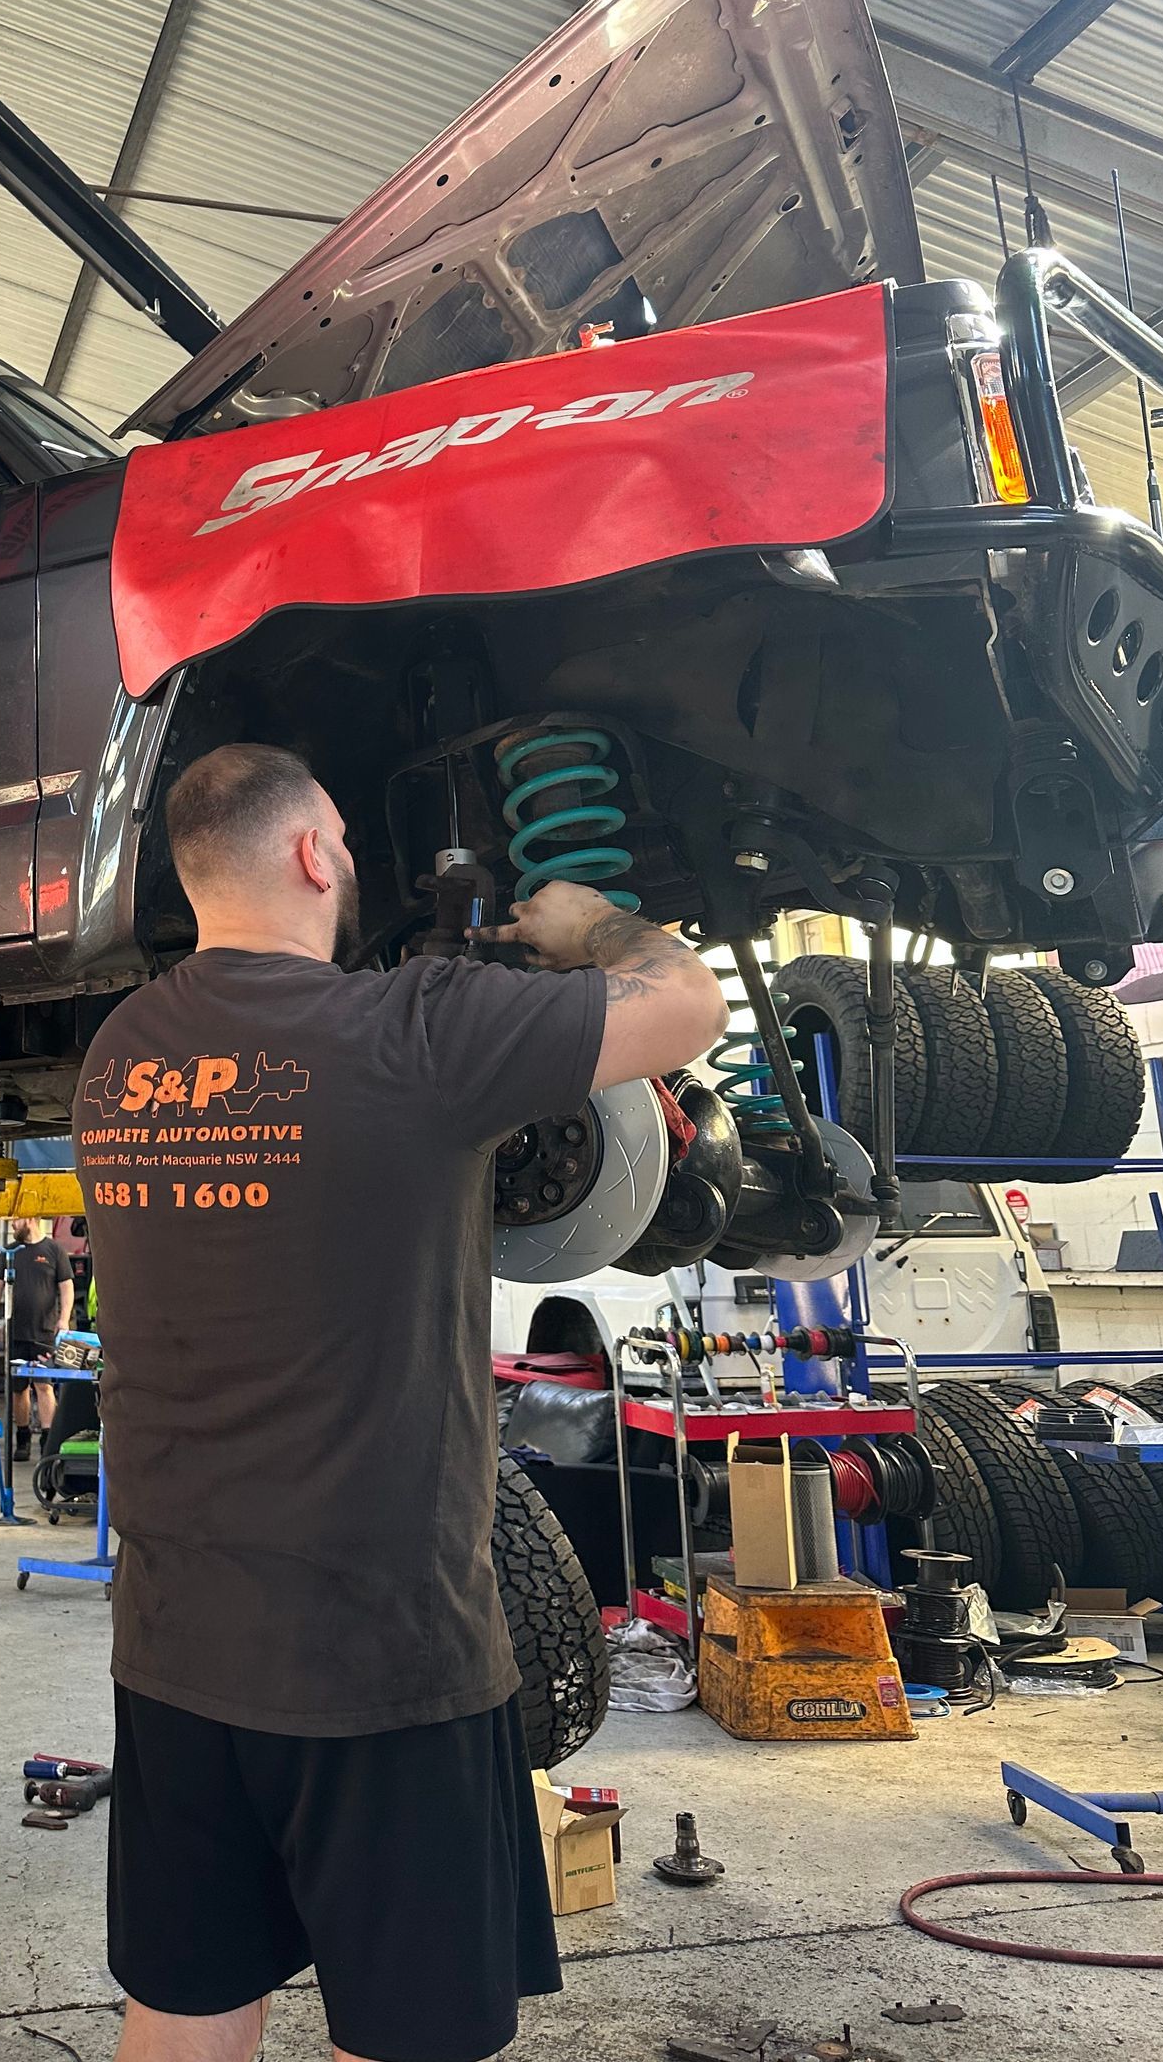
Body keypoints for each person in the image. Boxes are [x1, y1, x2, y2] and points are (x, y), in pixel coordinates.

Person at [73, 742, 727, 2062]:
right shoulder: (415, 1033)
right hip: (383, 1662)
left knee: (188, 2013)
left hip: (176, 1649)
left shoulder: (122, 1057)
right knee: (411, 2032)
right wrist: (587, 923)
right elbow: (688, 1006)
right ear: (317, 855)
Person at [0, 1213, 74, 1461]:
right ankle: (22, 1438)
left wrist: (63, 1318)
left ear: (30, 1219)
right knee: (18, 1388)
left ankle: (49, 1440)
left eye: (15, 1219)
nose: (12, 1224)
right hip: (16, 1332)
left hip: (44, 1332)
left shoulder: (54, 1250)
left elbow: (66, 1287)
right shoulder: (10, 1252)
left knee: (44, 1385)